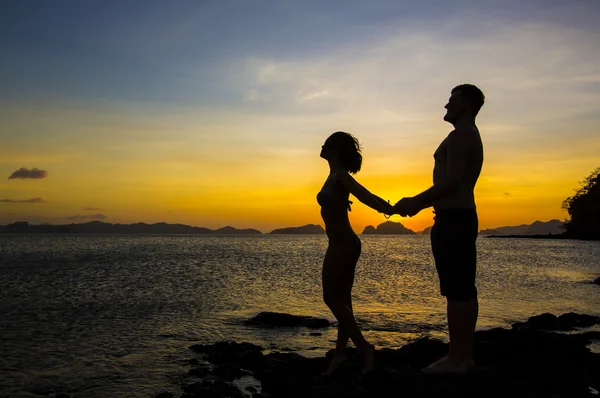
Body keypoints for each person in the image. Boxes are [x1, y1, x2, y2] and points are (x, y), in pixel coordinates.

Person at [394, 84, 485, 374]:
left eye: (451, 101)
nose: (446, 106)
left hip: (454, 220)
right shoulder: (468, 135)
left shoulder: (461, 135)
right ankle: (462, 356)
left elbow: (452, 181)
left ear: (465, 105)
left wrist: (415, 202)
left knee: (458, 290)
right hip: (459, 217)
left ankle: (458, 359)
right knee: (462, 290)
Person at [317, 131, 392, 376]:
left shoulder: (340, 176)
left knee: (331, 298)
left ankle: (364, 348)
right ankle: (339, 354)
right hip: (341, 242)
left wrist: (390, 209)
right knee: (344, 302)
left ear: (335, 150)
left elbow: (365, 195)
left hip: (342, 243)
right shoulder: (333, 176)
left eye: (327, 144)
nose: (322, 146)